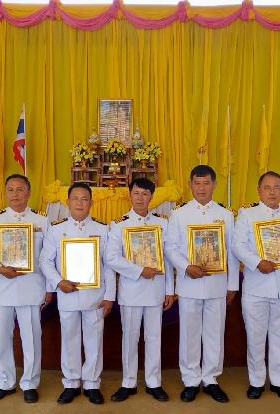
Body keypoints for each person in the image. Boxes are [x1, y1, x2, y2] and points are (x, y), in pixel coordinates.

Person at [0, 174, 53, 404]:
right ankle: (5, 381)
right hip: (2, 287)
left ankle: (30, 383)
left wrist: (49, 288)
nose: (15, 194)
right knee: (1, 338)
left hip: (31, 287)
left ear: (29, 193)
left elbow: (50, 257)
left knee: (32, 339)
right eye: (10, 189)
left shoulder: (42, 220)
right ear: (5, 192)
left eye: (20, 189)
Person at [164, 165, 239, 403]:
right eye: (197, 183)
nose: (202, 188)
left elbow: (232, 251)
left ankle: (211, 378)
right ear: (190, 185)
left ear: (214, 185)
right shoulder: (179, 214)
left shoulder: (225, 215)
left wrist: (232, 285)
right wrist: (186, 267)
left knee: (215, 333)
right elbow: (170, 247)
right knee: (190, 333)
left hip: (217, 284)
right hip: (189, 284)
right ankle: (191, 379)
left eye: (206, 183)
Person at [39, 183, 116, 405]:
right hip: (68, 294)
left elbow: (109, 265)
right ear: (68, 202)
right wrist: (58, 282)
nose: (80, 203)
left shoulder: (103, 229)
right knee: (69, 339)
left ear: (91, 203)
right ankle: (71, 383)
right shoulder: (56, 229)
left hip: (95, 295)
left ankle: (92, 384)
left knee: (94, 340)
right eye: (75, 199)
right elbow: (45, 260)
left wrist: (110, 295)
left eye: (84, 199)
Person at [233, 171, 280, 400]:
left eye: (277, 187)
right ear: (259, 190)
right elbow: (238, 245)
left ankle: (278, 380)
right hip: (256, 286)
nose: (272, 192)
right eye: (267, 187)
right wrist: (257, 262)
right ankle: (256, 381)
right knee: (255, 336)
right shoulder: (247, 214)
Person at [104, 178, 176, 402]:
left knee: (154, 337)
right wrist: (138, 270)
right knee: (130, 338)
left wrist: (170, 290)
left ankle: (154, 382)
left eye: (145, 194)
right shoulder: (119, 224)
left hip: (155, 290)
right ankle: (128, 382)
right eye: (136, 193)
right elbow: (111, 257)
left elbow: (168, 259)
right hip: (131, 290)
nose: (140, 198)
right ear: (130, 195)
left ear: (151, 197)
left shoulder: (162, 224)